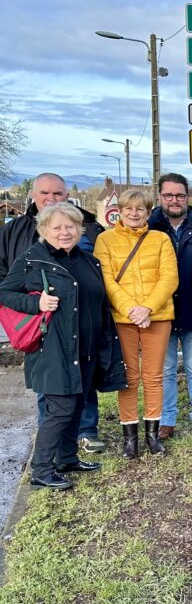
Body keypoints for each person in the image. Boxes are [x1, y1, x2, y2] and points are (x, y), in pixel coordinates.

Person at [0, 203, 125, 489]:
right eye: (56, 227)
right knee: (60, 409)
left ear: (79, 228)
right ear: (44, 229)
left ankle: (66, 459)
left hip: (87, 348)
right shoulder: (33, 259)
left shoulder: (88, 260)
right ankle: (41, 471)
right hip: (54, 349)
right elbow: (4, 292)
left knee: (78, 404)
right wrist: (36, 303)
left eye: (70, 226)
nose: (64, 232)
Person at [0, 172, 107, 454]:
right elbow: (5, 284)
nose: (51, 198)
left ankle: (83, 434)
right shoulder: (15, 232)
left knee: (83, 386)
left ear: (67, 196)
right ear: (33, 196)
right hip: (45, 329)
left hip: (82, 328)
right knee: (51, 392)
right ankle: (49, 446)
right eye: (45, 193)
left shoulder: (90, 229)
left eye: (57, 193)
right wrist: (32, 305)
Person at [95, 188, 178, 459]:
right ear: (119, 211)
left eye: (140, 209)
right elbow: (106, 278)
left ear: (148, 212)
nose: (134, 213)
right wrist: (131, 309)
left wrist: (148, 308)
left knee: (154, 377)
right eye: (128, 208)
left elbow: (169, 277)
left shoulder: (161, 239)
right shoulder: (105, 240)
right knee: (128, 378)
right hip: (123, 318)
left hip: (157, 316)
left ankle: (152, 436)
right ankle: (130, 439)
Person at [148, 174, 192, 442]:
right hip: (160, 313)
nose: (174, 200)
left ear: (188, 197)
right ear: (159, 196)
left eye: (180, 195)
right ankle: (167, 420)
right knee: (166, 371)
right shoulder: (148, 228)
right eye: (169, 195)